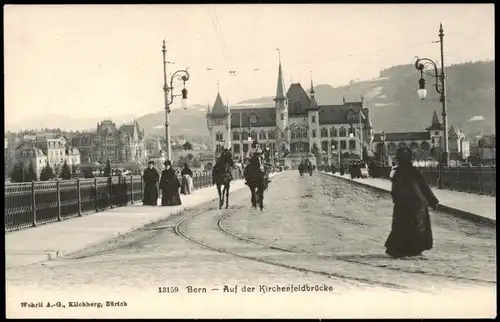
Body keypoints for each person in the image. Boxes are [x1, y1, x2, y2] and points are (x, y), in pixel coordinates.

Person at [384, 147, 439, 258]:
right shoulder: (415, 171)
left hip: (403, 203)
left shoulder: (397, 172)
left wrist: (396, 199)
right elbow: (424, 187)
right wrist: (433, 201)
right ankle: (415, 248)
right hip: (417, 202)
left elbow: (394, 189)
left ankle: (400, 248)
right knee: (417, 225)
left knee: (401, 225)